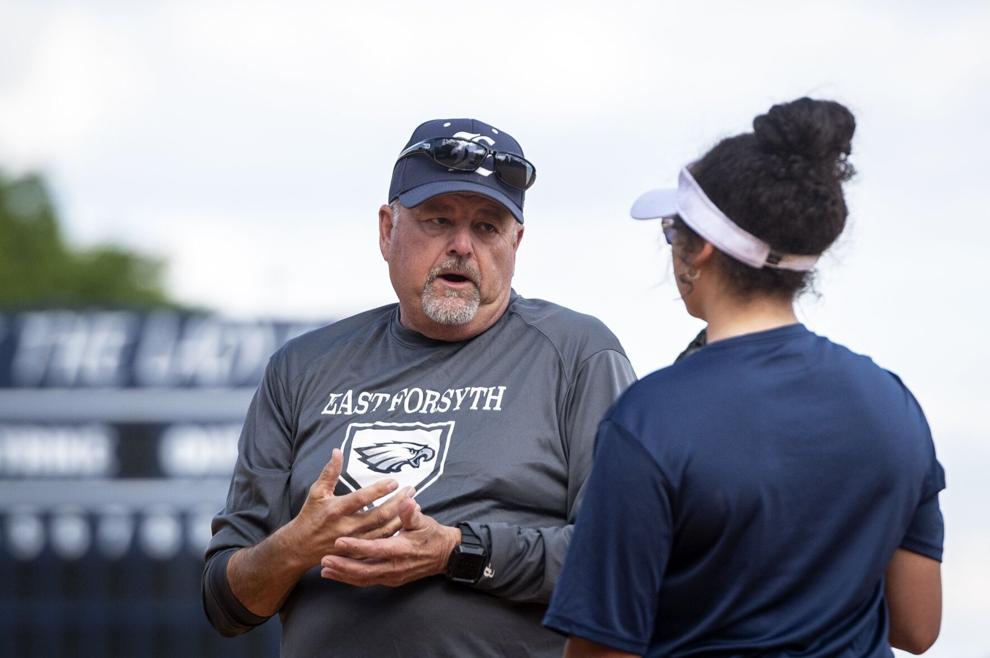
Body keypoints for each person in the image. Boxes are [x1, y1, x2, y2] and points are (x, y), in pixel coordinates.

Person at [202, 117, 637, 656]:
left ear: (516, 242)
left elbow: (622, 560)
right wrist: (296, 545)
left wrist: (457, 551)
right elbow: (226, 603)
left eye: (488, 227)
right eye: (438, 220)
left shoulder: (577, 354)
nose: (462, 246)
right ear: (387, 230)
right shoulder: (301, 367)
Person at [543, 98, 945, 657]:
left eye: (671, 231)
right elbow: (918, 628)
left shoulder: (651, 418)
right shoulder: (893, 404)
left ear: (702, 249)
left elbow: (603, 649)